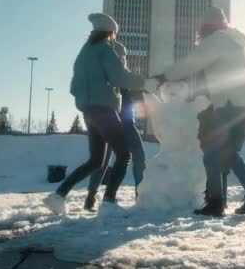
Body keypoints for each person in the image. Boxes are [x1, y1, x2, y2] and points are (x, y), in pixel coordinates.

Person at [153, 6, 245, 216]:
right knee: (229, 154)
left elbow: (190, 64)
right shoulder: (232, 41)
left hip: (233, 103)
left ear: (205, 27)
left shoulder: (217, 40)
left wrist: (163, 77)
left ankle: (216, 202)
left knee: (214, 152)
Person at [42, 13, 159, 215]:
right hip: (104, 110)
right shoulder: (105, 49)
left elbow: (73, 87)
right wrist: (144, 83)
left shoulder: (84, 52)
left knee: (96, 161)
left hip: (88, 111)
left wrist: (89, 97)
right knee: (124, 154)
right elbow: (119, 76)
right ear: (109, 32)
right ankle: (109, 201)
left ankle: (58, 196)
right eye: (113, 33)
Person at [83, 41, 147, 211]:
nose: (122, 59)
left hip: (127, 123)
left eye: (124, 56)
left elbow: (140, 94)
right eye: (119, 56)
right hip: (111, 123)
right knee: (103, 162)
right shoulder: (107, 76)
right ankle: (92, 197)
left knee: (138, 156)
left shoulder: (126, 77)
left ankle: (141, 195)